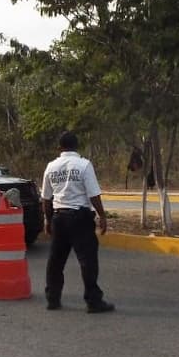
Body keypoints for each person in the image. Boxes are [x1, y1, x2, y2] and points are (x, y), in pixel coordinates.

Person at [41, 131, 114, 313]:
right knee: (87, 260)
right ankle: (93, 301)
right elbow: (93, 194)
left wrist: (48, 220)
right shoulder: (84, 165)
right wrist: (102, 216)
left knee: (56, 261)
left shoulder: (51, 167)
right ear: (76, 146)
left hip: (59, 217)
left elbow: (46, 198)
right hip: (80, 218)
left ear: (59, 147)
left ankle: (53, 298)